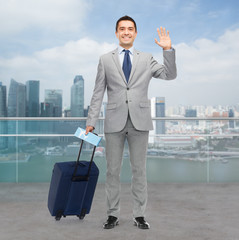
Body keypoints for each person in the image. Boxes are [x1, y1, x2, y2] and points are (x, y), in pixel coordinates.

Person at [85, 15, 177, 229]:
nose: (126, 32)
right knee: (112, 171)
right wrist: (91, 121)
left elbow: (169, 75)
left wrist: (168, 50)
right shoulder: (105, 59)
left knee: (139, 171)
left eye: (130, 29)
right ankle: (112, 215)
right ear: (116, 33)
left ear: (135, 33)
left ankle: (139, 215)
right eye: (122, 29)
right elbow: (98, 92)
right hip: (114, 122)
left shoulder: (146, 58)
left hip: (140, 121)